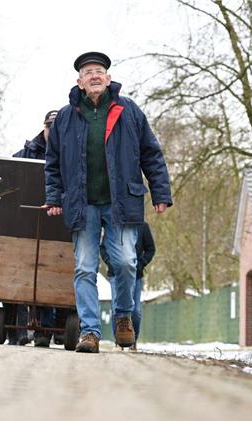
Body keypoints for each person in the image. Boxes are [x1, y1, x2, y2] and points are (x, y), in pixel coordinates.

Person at [44, 51, 172, 353]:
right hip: (82, 203)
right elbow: (53, 162)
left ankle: (123, 316)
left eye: (100, 70)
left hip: (122, 202)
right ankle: (89, 332)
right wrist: (53, 197)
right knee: (85, 268)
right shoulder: (66, 116)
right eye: (88, 72)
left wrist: (161, 192)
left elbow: (151, 153)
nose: (95, 76)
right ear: (80, 81)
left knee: (126, 262)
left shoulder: (129, 111)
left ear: (109, 77)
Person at [13, 109, 65, 347]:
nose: (52, 133)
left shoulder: (70, 152)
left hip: (59, 224)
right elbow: (12, 169)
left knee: (55, 270)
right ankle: (26, 327)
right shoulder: (28, 151)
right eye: (49, 128)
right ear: (43, 128)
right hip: (29, 221)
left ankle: (52, 325)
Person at [101, 221, 154, 350]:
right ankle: (118, 341)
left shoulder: (143, 226)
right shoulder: (112, 225)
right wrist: (110, 262)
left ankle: (133, 341)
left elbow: (150, 249)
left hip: (135, 276)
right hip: (115, 275)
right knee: (116, 308)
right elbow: (103, 248)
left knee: (135, 311)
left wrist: (140, 264)